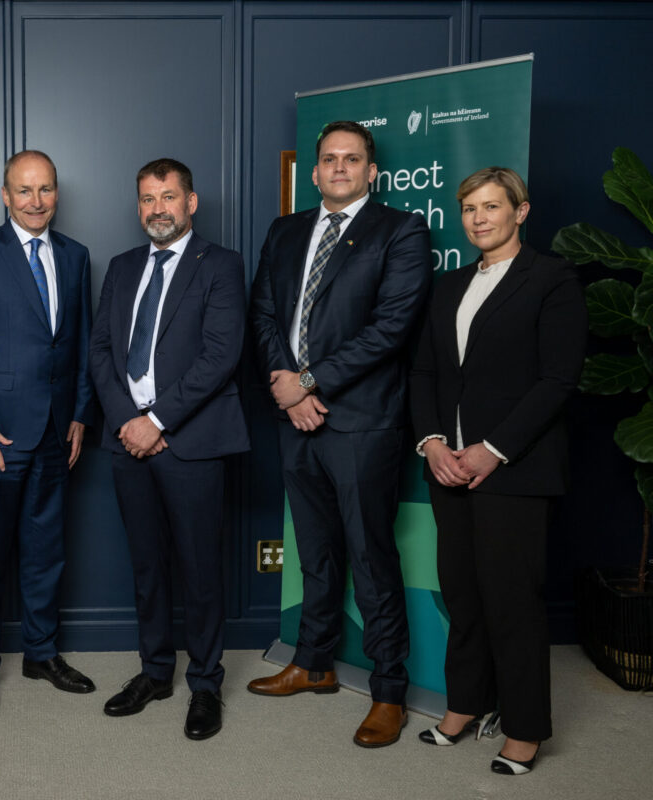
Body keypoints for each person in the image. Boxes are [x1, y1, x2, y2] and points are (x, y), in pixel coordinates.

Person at [248, 121, 431, 747]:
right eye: (329, 159)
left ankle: (389, 693)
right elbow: (265, 311)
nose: (339, 168)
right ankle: (313, 662)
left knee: (372, 557)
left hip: (360, 421)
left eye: (352, 160)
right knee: (317, 553)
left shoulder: (400, 230)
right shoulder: (287, 229)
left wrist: (309, 382)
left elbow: (391, 328)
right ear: (315, 170)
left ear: (371, 171)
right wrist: (282, 381)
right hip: (293, 417)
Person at [409, 167, 586, 774]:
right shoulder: (448, 285)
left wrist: (494, 448)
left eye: (491, 207)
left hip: (515, 468)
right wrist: (433, 443)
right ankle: (465, 704)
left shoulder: (551, 278)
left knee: (511, 600)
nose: (479, 218)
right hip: (449, 466)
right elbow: (426, 372)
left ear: (521, 210)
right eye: (468, 209)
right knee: (461, 593)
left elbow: (557, 379)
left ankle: (525, 728)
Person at [89, 158, 249, 740]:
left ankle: (205, 684)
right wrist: (128, 421)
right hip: (126, 440)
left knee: (200, 570)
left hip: (191, 442)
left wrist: (155, 420)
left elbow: (220, 356)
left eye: (168, 197)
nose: (157, 208)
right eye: (147, 199)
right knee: (147, 567)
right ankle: (155, 672)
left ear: (192, 202)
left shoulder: (222, 266)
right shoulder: (123, 265)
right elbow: (101, 350)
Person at [0, 150, 96, 720]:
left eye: (46, 190)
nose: (36, 201)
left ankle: (41, 653)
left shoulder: (76, 255)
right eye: (24, 191)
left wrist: (80, 413)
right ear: (5, 195)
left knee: (45, 551)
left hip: (58, 431)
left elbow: (80, 344)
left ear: (57, 193)